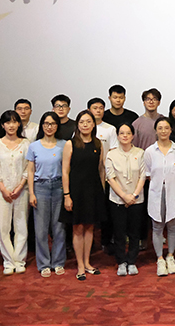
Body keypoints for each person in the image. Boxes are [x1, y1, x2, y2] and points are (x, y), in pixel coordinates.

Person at [60, 110, 107, 280]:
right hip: (76, 192)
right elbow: (65, 171)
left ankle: (87, 262)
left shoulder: (98, 144)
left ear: (93, 124)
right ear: (77, 125)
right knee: (78, 228)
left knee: (89, 228)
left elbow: (101, 170)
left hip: (93, 191)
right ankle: (79, 265)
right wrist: (67, 195)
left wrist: (101, 192)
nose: (85, 125)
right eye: (82, 122)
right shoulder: (70, 144)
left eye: (88, 122)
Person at [0, 110, 30, 275]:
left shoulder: (26, 143)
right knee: (3, 228)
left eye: (14, 122)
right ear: (2, 125)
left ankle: (19, 260)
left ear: (19, 124)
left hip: (22, 191)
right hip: (1, 193)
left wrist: (19, 187)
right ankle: (8, 261)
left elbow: (28, 168)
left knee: (21, 227)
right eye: (8, 122)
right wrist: (4, 189)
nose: (11, 125)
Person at [26, 111, 66, 277]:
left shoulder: (64, 144)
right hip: (40, 187)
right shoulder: (34, 146)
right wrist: (31, 193)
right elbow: (30, 170)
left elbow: (67, 169)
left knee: (59, 227)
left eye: (53, 124)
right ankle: (43, 264)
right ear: (42, 125)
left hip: (59, 187)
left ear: (57, 126)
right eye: (46, 124)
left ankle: (58, 262)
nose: (49, 127)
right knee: (41, 229)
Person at [106, 121, 147, 276]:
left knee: (135, 232)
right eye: (122, 133)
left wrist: (134, 195)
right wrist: (124, 196)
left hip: (136, 200)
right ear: (117, 136)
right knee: (119, 233)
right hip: (117, 200)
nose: (125, 136)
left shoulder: (140, 153)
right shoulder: (111, 154)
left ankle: (132, 261)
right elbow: (110, 178)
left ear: (133, 136)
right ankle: (121, 262)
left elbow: (143, 175)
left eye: (128, 133)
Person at [144, 117, 175, 276]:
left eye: (166, 128)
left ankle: (171, 256)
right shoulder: (149, 151)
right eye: (160, 128)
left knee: (173, 225)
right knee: (157, 226)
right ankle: (160, 258)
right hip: (156, 191)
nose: (163, 131)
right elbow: (147, 174)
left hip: (174, 191)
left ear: (171, 130)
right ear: (156, 131)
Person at [88, 97, 120, 254]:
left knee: (106, 210)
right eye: (95, 108)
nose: (98, 111)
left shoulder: (110, 129)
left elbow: (113, 151)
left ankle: (106, 241)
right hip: (88, 175)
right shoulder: (83, 127)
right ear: (89, 110)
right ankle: (89, 243)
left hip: (107, 175)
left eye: (101, 108)